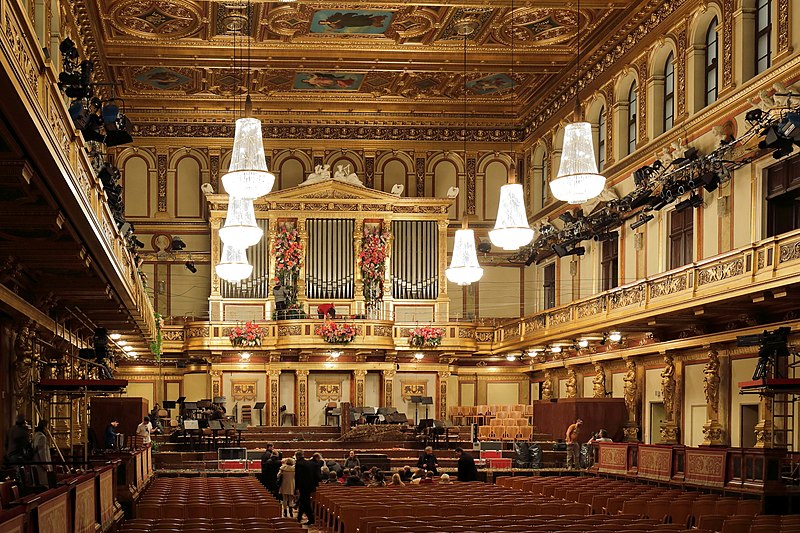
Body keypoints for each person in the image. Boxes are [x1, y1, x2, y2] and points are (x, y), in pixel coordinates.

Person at [294, 450, 317, 525]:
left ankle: (310, 519)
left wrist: (296, 488)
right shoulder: (308, 462)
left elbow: (298, 477)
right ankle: (299, 518)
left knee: (305, 503)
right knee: (304, 502)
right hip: (310, 485)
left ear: (297, 456)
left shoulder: (299, 464)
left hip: (304, 486)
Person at [32, 420, 51, 486]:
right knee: (44, 484)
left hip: (37, 464)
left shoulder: (35, 436)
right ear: (44, 427)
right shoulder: (42, 437)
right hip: (41, 468)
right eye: (47, 427)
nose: (48, 430)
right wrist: (46, 466)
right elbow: (42, 453)